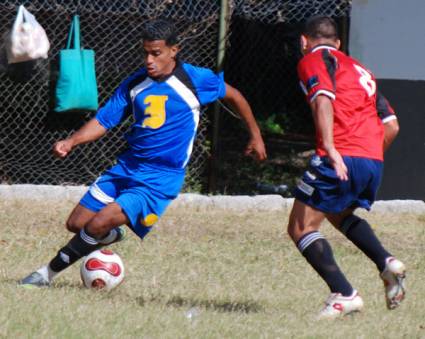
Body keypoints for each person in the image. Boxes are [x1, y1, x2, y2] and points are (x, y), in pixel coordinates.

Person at [19, 19, 267, 287]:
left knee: (97, 223)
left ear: (174, 50)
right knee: (77, 223)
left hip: (160, 178)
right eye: (145, 52)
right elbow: (104, 121)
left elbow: (235, 96)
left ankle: (46, 275)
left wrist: (255, 135)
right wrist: (72, 141)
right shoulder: (134, 84)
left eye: (156, 53)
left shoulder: (196, 80)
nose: (149, 60)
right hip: (127, 167)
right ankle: (109, 235)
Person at [288, 15, 404, 319]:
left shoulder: (314, 59)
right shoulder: (361, 70)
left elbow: (323, 100)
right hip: (371, 159)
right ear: (339, 43)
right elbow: (391, 126)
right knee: (338, 213)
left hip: (341, 154)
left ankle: (344, 293)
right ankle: (386, 263)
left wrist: (330, 150)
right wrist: (367, 159)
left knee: (301, 227)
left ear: (304, 41)